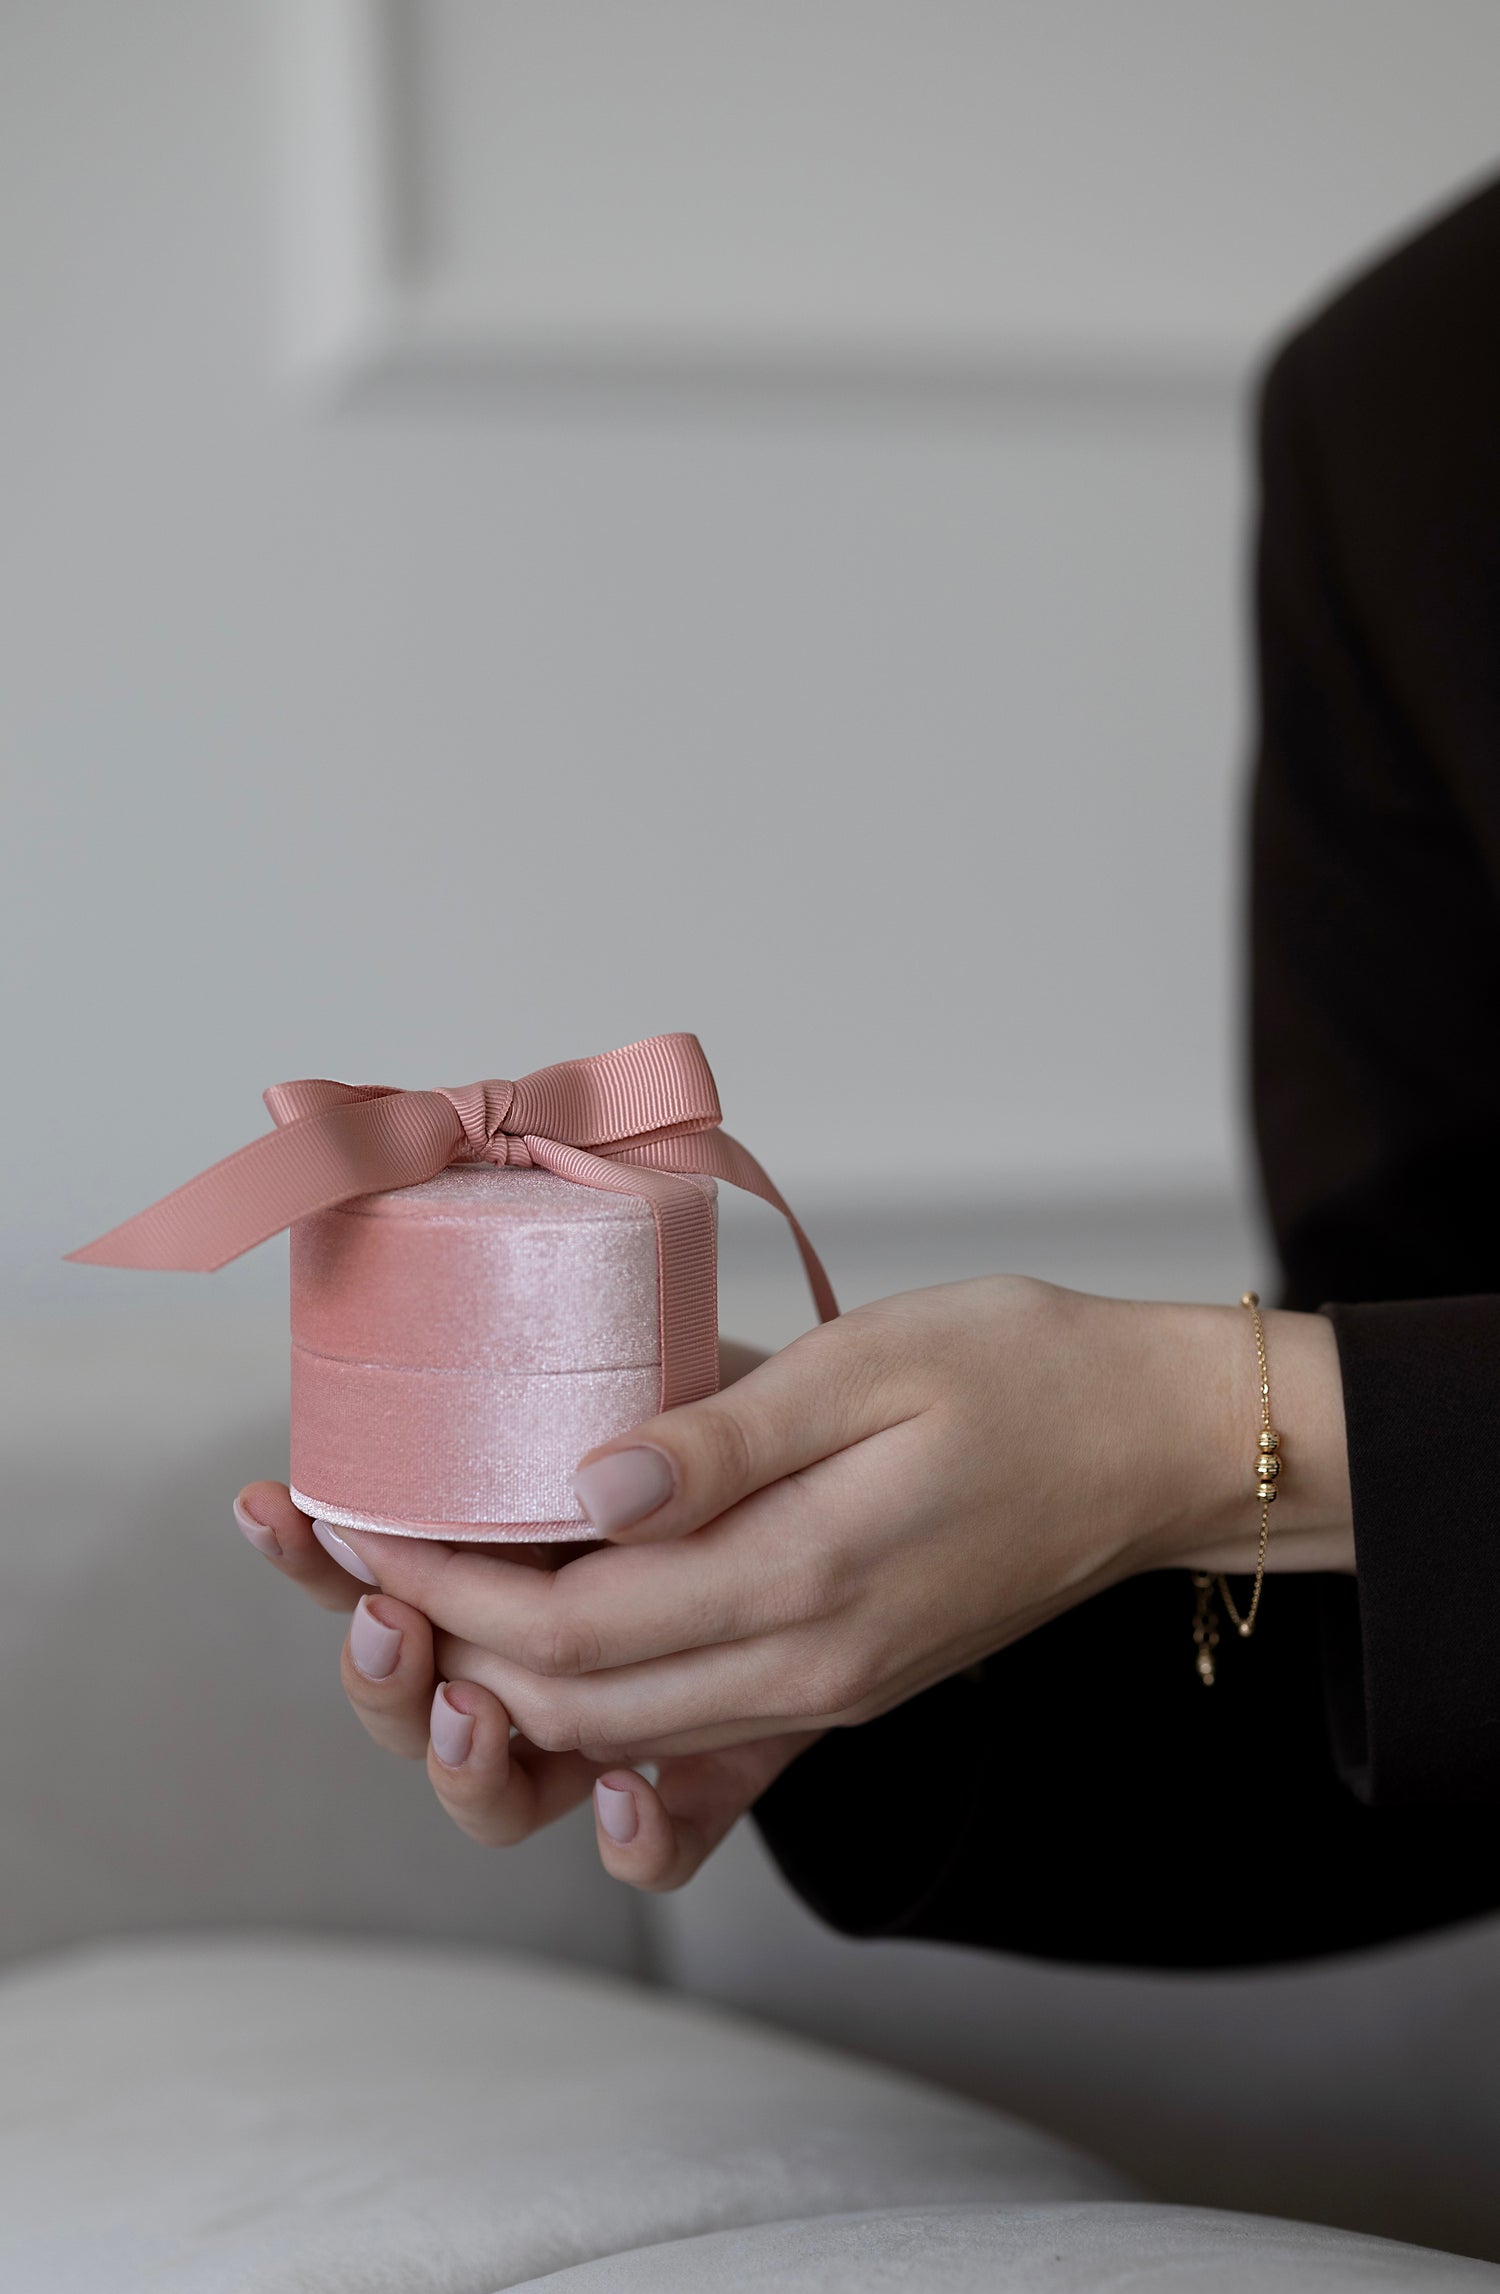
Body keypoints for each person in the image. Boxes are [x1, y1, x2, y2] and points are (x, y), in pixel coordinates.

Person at [235, 178, 1500, 1971]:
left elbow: (1304, 1439)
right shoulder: (1410, 396)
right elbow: (1401, 1606)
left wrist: (1189, 1426)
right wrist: (816, 1605)